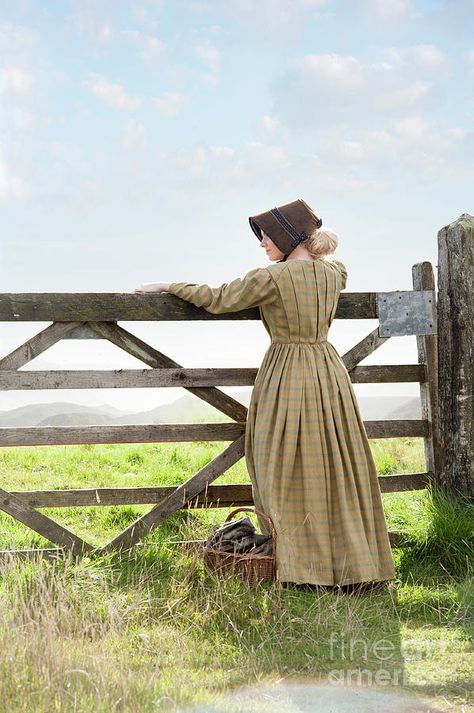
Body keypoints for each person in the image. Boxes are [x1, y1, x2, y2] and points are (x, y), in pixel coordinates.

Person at [134, 198, 396, 592]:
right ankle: (353, 564)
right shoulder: (335, 273)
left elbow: (218, 297)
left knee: (280, 463)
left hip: (287, 373)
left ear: (290, 237)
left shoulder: (271, 279)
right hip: (328, 370)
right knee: (337, 463)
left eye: (268, 236)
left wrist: (169, 285)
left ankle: (300, 564)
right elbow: (329, 269)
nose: (262, 244)